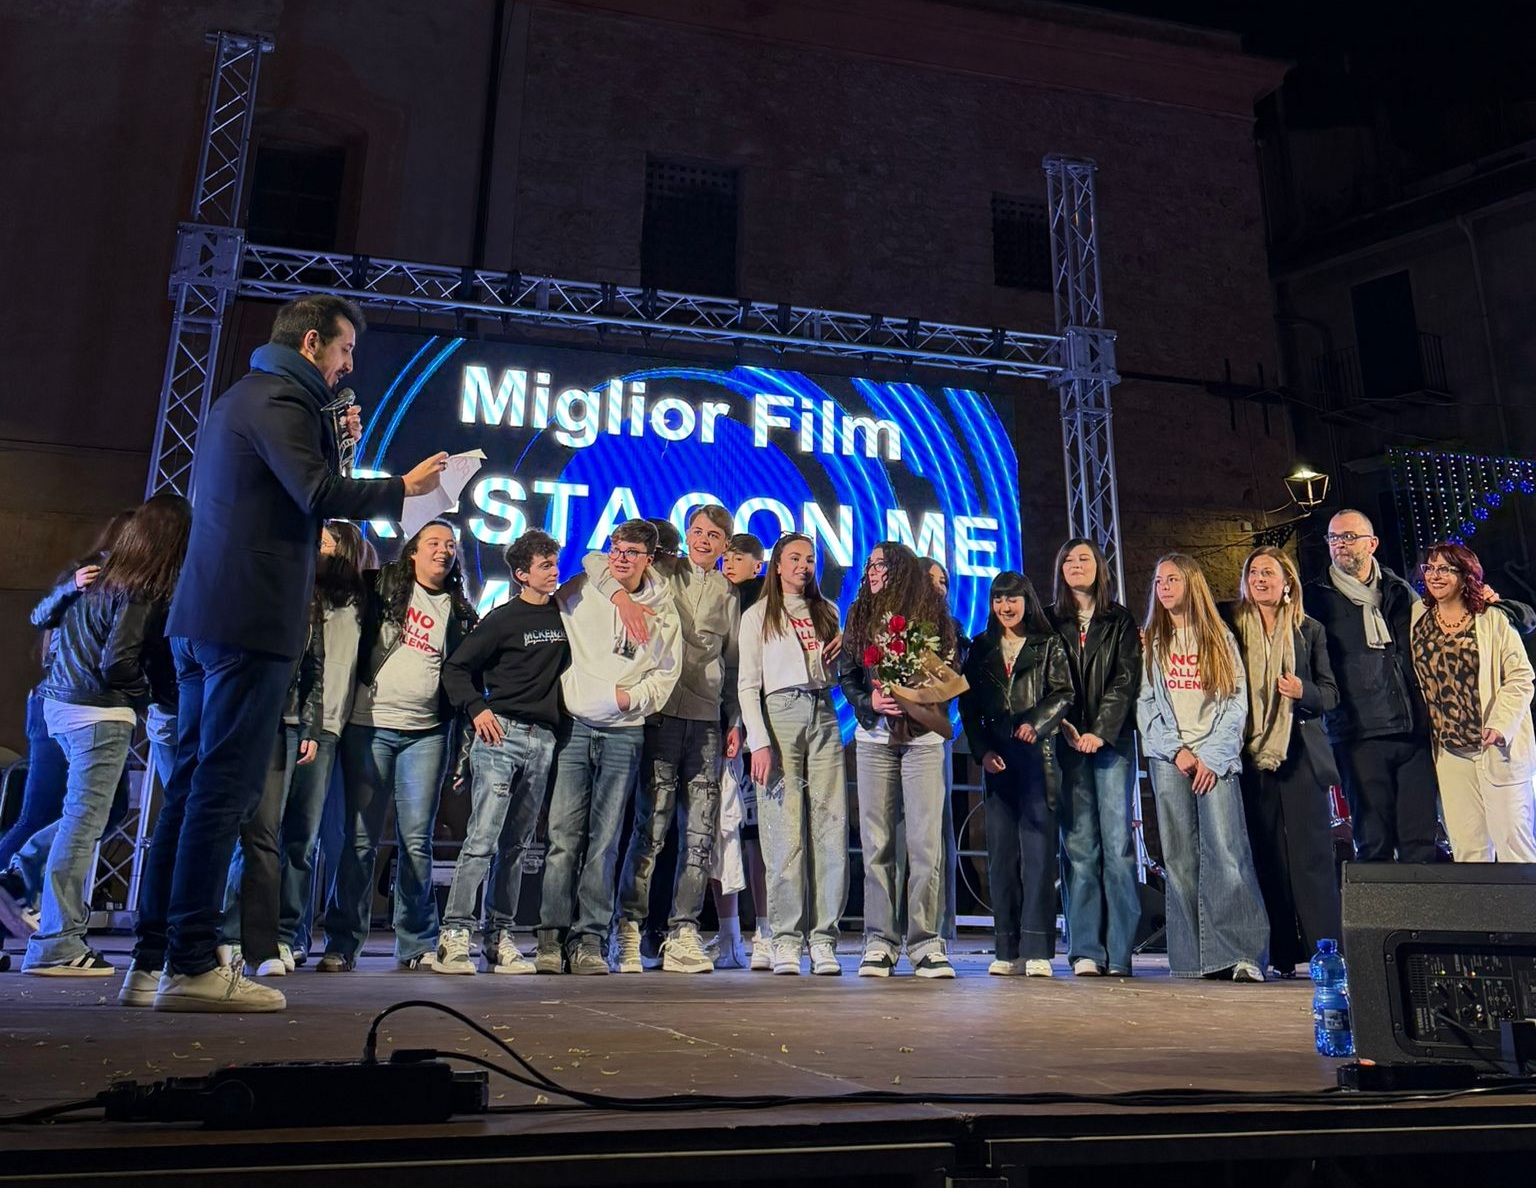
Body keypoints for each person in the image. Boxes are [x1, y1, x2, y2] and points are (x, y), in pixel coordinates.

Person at [129, 294, 446, 1012]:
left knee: (195, 788)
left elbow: (293, 489)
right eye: (344, 350)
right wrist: (404, 488)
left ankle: (151, 961)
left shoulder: (249, 396)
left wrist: (338, 443)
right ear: (312, 343)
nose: (348, 366)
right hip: (248, 620)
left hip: (211, 617)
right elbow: (315, 492)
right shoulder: (280, 398)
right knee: (223, 790)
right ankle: (191, 963)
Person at [23, 494, 190, 978]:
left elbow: (41, 618)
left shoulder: (96, 576)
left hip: (60, 705)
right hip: (99, 713)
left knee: (90, 818)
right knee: (83, 828)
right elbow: (118, 662)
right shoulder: (140, 588)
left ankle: (23, 874)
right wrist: (145, 698)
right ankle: (56, 944)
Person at [318, 520, 477, 972]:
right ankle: (341, 943)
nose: (444, 550)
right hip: (369, 727)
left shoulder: (460, 610)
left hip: (427, 733)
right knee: (360, 840)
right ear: (412, 551)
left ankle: (416, 943)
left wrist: (462, 749)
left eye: (451, 545)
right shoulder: (382, 586)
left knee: (417, 842)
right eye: (434, 542)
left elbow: (461, 678)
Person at [590, 505, 741, 975]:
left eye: (713, 535)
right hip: (659, 718)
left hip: (706, 724)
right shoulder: (663, 570)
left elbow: (732, 665)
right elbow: (595, 562)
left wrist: (735, 720)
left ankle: (683, 931)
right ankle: (629, 928)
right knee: (650, 830)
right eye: (697, 531)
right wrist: (622, 599)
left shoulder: (728, 592)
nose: (703, 540)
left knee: (699, 836)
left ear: (725, 544)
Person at [535, 520, 682, 975]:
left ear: (649, 560)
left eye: (632, 552)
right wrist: (619, 597)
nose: (620, 558)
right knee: (562, 836)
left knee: (605, 841)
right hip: (576, 726)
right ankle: (550, 938)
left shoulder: (664, 611)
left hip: (624, 732)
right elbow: (589, 560)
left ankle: (589, 940)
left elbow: (666, 674)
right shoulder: (584, 587)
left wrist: (628, 699)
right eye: (616, 548)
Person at [435, 530, 570, 975]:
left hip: (543, 739)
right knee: (483, 838)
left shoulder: (566, 615)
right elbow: (456, 668)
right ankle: (455, 934)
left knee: (518, 844)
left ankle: (499, 937)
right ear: (521, 574)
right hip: (500, 735)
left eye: (555, 563)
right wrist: (477, 709)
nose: (553, 572)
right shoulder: (502, 619)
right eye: (545, 565)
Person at [0, 510, 135, 941]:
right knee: (42, 812)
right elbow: (40, 617)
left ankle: (18, 885)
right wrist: (69, 588)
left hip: (80, 704)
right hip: (63, 703)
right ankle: (12, 883)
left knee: (106, 811)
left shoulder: (127, 584)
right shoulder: (88, 576)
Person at [1136, 553, 1267, 982]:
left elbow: (1235, 702)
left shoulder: (1218, 637)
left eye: (1173, 579)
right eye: (1159, 581)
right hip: (1170, 760)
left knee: (1226, 852)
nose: (1164, 588)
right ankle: (1194, 959)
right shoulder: (1153, 641)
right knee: (1179, 858)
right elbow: (1145, 704)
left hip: (1215, 758)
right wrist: (1176, 751)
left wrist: (1212, 755)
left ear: (1192, 584)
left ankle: (1241, 954)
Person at [840, 541, 958, 978]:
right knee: (877, 843)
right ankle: (880, 941)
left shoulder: (934, 615)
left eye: (882, 565)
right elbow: (848, 675)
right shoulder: (859, 614)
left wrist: (917, 696)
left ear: (902, 570)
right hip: (874, 739)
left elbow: (947, 675)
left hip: (922, 741)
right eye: (870, 566)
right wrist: (869, 701)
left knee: (925, 845)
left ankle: (926, 942)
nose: (873, 572)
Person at [1224, 546, 1343, 978]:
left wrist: (1302, 691)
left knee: (1312, 856)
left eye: (1268, 573)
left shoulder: (1309, 630)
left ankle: (1325, 951)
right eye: (1253, 572)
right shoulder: (1230, 624)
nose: (1260, 579)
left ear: (1287, 581)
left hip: (1300, 752)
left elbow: (1330, 694)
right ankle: (1281, 954)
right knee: (1265, 854)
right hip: (1249, 754)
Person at [738, 533, 845, 975]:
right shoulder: (758, 614)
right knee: (784, 830)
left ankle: (823, 940)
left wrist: (841, 653)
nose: (803, 565)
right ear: (777, 566)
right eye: (795, 558)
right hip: (779, 712)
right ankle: (785, 938)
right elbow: (748, 684)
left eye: (810, 559)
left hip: (823, 711)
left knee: (830, 828)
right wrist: (758, 741)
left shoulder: (828, 611)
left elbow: (834, 672)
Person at [959, 571, 1073, 977]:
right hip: (998, 762)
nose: (1005, 607)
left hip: (1038, 760)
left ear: (1027, 600)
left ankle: (1038, 948)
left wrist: (1036, 723)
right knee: (1001, 858)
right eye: (998, 600)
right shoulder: (981, 646)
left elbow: (1064, 693)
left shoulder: (1048, 644)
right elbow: (969, 708)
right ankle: (1006, 948)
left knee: (1039, 858)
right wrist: (983, 751)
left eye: (1013, 599)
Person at [273, 520, 369, 967]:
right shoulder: (300, 592)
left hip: (338, 727)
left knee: (315, 838)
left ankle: (292, 933)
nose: (319, 547)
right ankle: (262, 931)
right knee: (277, 834)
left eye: (327, 541)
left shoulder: (362, 602)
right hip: (296, 723)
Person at [1048, 538, 1143, 978]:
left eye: (1084, 558)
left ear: (1100, 567)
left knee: (1118, 847)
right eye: (1068, 559)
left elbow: (1126, 679)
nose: (1075, 565)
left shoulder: (1119, 620)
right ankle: (1085, 949)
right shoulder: (1048, 620)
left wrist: (1100, 732)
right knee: (1079, 847)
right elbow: (1047, 682)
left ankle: (1119, 953)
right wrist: (1068, 727)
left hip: (1112, 742)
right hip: (1066, 743)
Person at [1409, 542, 1536, 862]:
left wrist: (1500, 724)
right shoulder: (1418, 617)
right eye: (1430, 568)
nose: (1435, 576)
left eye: (1445, 569)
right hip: (1451, 753)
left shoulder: (1492, 619)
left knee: (1515, 846)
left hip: (1496, 749)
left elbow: (1521, 677)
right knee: (1468, 852)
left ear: (1466, 576)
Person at [719, 532, 769, 967]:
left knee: (757, 836)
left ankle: (766, 931)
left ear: (759, 564)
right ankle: (729, 936)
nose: (728, 564)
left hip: (758, 731)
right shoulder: (719, 596)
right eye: (726, 558)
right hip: (719, 724)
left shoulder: (765, 602)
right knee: (722, 831)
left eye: (738, 558)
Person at [925, 558, 963, 946]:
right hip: (892, 738)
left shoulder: (953, 630)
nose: (938, 586)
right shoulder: (892, 627)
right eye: (930, 578)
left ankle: (937, 927)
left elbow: (952, 684)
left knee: (938, 831)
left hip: (936, 737)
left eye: (944, 581)